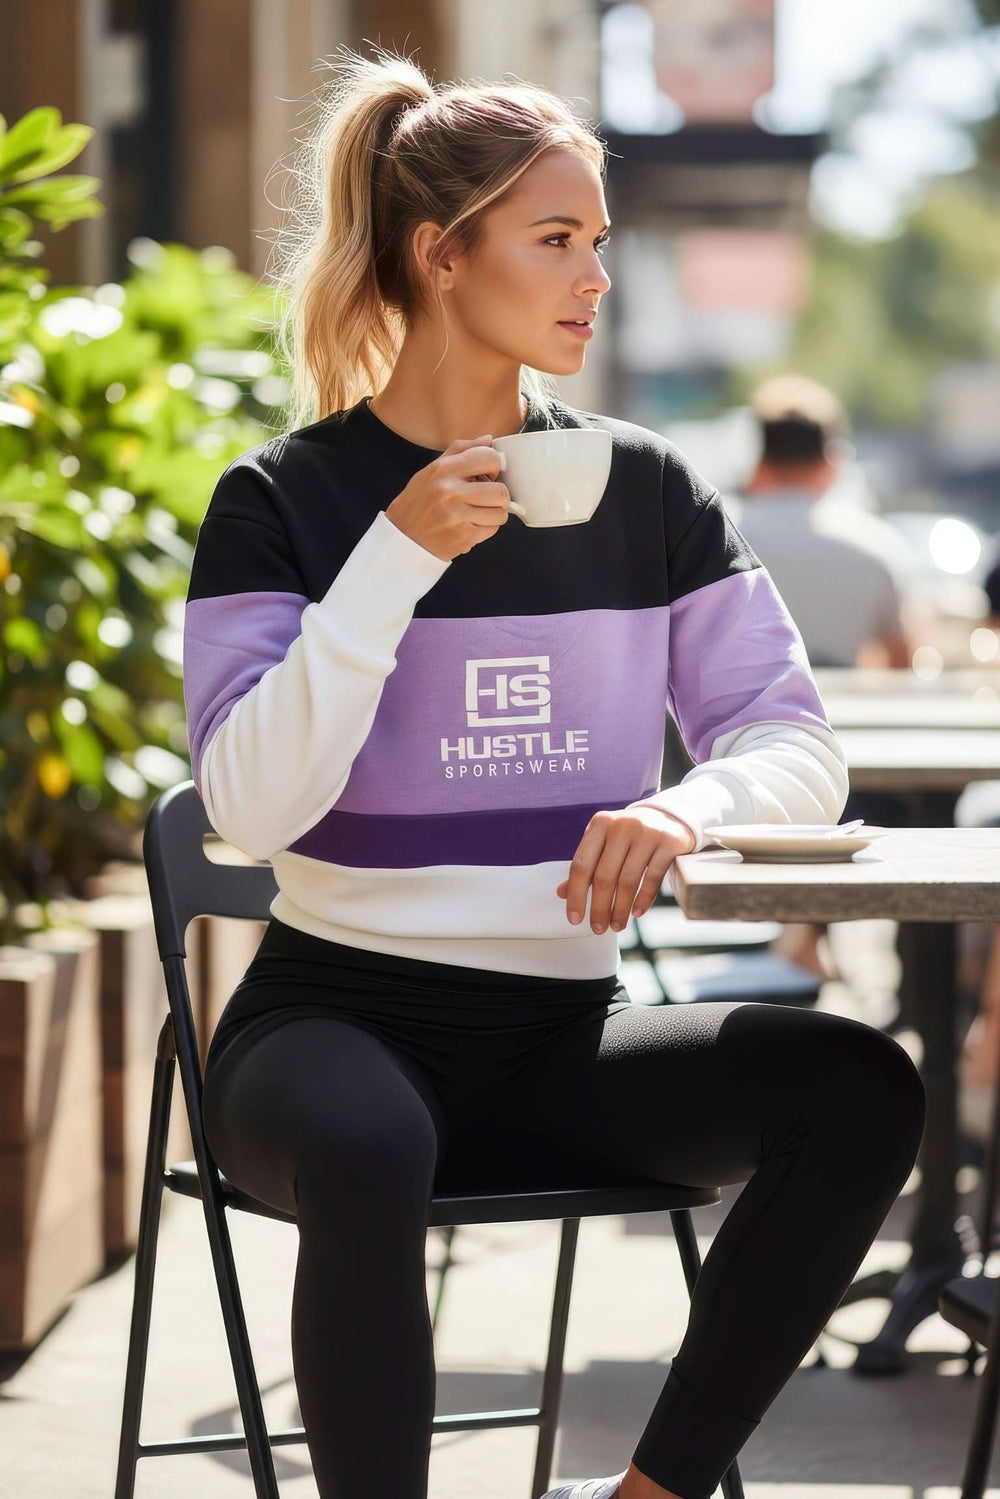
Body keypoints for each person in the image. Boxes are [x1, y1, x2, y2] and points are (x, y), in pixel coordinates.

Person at [182, 45, 926, 1499]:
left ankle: (649, 1496)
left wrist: (680, 802)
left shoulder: (647, 489)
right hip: (333, 1021)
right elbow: (247, 808)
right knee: (368, 1138)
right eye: (556, 239)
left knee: (862, 1086)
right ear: (439, 254)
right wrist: (393, 556)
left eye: (600, 241)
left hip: (565, 1033)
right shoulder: (282, 502)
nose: (595, 276)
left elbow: (794, 745)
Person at [725, 374, 913, 673]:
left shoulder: (716, 534)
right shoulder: (875, 545)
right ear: (830, 464)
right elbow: (902, 662)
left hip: (739, 715)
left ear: (759, 462)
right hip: (842, 716)